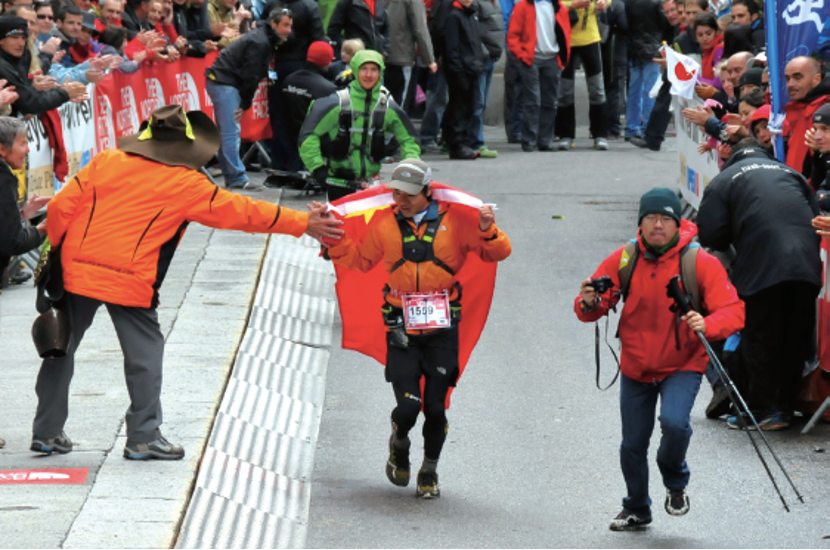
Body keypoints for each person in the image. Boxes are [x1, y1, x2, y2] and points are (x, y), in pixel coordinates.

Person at [30, 104, 344, 459]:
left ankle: (46, 432)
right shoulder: (187, 184)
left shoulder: (106, 161)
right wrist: (303, 223)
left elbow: (58, 210)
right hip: (129, 279)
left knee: (59, 347)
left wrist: (58, 253)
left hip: (77, 270)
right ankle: (144, 437)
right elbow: (242, 212)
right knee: (144, 356)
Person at [326, 159, 512, 499]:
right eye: (397, 193)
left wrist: (487, 228)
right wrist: (332, 241)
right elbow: (361, 260)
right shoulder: (384, 222)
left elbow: (498, 252)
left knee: (436, 408)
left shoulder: (456, 221)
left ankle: (429, 470)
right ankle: (399, 444)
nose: (403, 200)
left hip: (442, 326)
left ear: (428, 190)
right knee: (409, 406)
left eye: (410, 194)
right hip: (400, 323)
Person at [575, 187, 744, 530]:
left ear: (676, 223)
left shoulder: (699, 262)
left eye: (666, 218)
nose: (657, 225)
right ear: (641, 222)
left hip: (682, 364)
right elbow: (593, 308)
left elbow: (734, 311)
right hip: (636, 366)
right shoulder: (625, 258)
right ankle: (636, 507)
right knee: (632, 445)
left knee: (675, 424)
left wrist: (707, 323)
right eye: (651, 218)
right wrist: (589, 302)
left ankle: (675, 482)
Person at [697, 139, 821, 431]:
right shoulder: (792, 173)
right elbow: (815, 215)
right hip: (807, 263)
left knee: (760, 335)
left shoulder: (724, 179)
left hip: (762, 264)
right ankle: (786, 407)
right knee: (795, 335)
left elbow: (711, 236)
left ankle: (762, 409)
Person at [299, 49, 421, 200]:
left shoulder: (388, 107)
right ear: (355, 70)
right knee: (340, 224)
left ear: (380, 73)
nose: (368, 75)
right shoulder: (336, 103)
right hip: (339, 182)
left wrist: (408, 169)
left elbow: (410, 140)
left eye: (373, 70)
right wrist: (317, 168)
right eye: (364, 69)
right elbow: (308, 136)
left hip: (372, 183)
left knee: (373, 224)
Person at [0, 116, 48, 451]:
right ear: (2, 149)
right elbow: (10, 243)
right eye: (21, 143)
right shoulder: (3, 177)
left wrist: (20, 214)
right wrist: (43, 229)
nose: (27, 149)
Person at [205, 7, 292, 190]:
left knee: (229, 131)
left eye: (290, 26)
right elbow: (250, 75)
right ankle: (237, 178)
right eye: (285, 25)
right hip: (224, 82)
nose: (289, 31)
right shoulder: (260, 42)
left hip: (224, 81)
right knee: (231, 131)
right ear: (273, 24)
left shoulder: (263, 37)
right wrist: (246, 103)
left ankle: (233, 176)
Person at [260, 0, 326, 172]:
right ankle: (295, 164)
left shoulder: (274, 4)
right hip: (299, 68)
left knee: (280, 116)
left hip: (280, 66)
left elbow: (261, 29)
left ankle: (281, 164)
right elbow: (318, 39)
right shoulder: (309, 5)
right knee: (299, 117)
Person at [506, 0, 571, 152]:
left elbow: (566, 31)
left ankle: (545, 141)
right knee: (532, 101)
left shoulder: (559, 7)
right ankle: (529, 140)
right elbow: (513, 35)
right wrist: (522, 56)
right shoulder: (522, 6)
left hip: (552, 59)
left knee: (550, 101)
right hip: (531, 59)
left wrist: (562, 58)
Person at [0, 15, 87, 114]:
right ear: (1, 41)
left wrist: (32, 85)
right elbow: (28, 103)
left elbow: (25, 91)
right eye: (14, 38)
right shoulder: (3, 66)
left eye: (23, 38)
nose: (21, 43)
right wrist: (64, 93)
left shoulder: (23, 55)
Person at [555, 0, 609, 151]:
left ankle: (600, 135)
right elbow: (554, 4)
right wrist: (573, 5)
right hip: (566, 38)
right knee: (565, 89)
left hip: (590, 38)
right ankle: (566, 135)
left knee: (597, 88)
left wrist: (605, 3)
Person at [280, 40, 337, 165]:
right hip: (313, 145)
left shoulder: (288, 80)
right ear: (328, 60)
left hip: (286, 143)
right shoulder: (327, 88)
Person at [624, 0, 670, 142]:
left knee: (634, 90)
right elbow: (664, 25)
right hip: (652, 47)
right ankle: (647, 129)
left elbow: (624, 24)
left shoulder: (628, 3)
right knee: (650, 90)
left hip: (633, 48)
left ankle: (631, 128)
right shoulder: (656, 3)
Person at [442, 0, 483, 159]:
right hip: (461, 72)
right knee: (458, 109)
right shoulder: (454, 16)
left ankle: (463, 141)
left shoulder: (471, 15)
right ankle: (457, 144)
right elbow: (451, 48)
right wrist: (458, 72)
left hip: (472, 69)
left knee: (469, 108)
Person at [783, 56, 830, 182]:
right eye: (787, 78)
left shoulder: (825, 108)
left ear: (817, 79)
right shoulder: (794, 110)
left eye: (797, 77)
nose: (790, 84)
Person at [385, 0, 435, 110]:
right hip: (402, 56)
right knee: (399, 106)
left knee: (383, 103)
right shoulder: (414, 2)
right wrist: (429, 59)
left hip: (381, 55)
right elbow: (420, 30)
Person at [469, 0, 503, 158]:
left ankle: (476, 138)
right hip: (482, 58)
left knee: (482, 102)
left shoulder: (496, 3)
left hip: (492, 58)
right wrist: (482, 52)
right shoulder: (477, 3)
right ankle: (476, 141)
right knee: (478, 101)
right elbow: (473, 30)